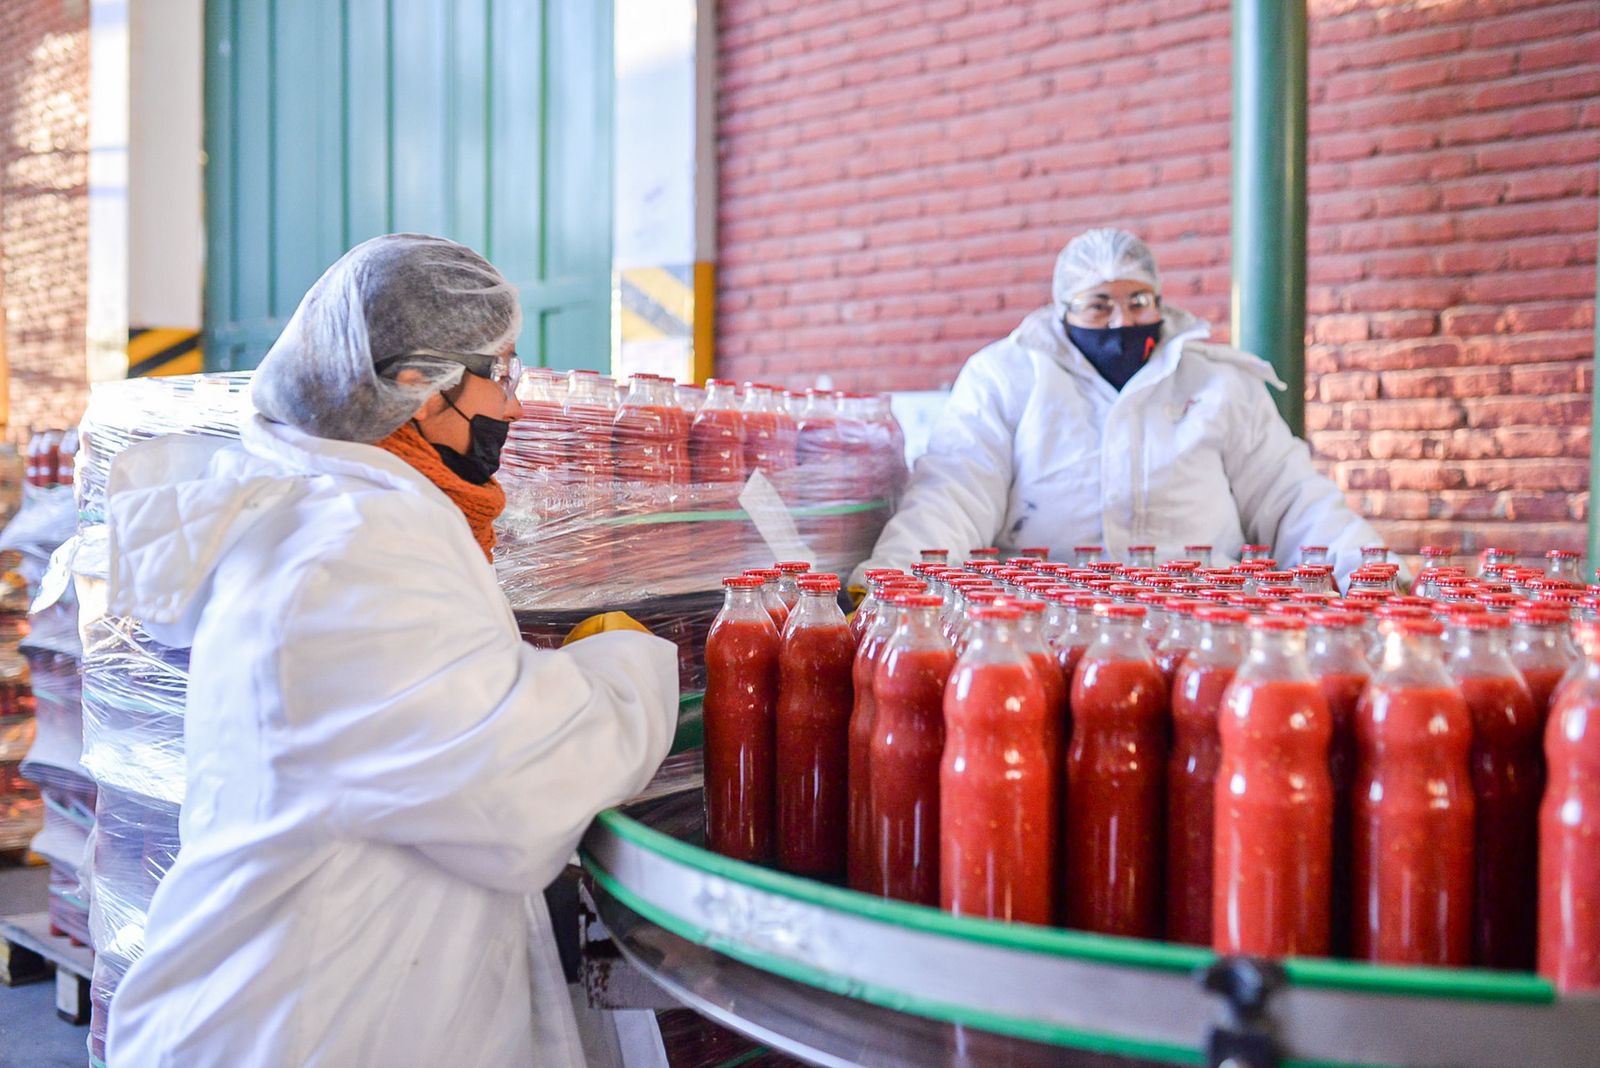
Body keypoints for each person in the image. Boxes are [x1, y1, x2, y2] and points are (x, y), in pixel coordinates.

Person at [104, 234, 680, 1066]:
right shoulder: (351, 551)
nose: (512, 409)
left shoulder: (346, 518)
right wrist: (625, 668)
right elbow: (517, 790)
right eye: (501, 374)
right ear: (416, 382)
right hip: (303, 1027)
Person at [856, 228, 1384, 581]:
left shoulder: (1218, 383)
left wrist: (1368, 570)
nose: (1120, 323)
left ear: (1160, 301)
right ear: (1063, 310)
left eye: (1138, 302)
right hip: (1045, 620)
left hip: (1203, 620)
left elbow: (1290, 496)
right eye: (1098, 305)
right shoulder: (1009, 376)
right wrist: (893, 580)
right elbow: (954, 490)